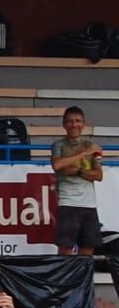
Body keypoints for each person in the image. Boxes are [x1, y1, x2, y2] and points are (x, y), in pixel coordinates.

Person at [51, 105, 105, 255]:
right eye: (69, 121)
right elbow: (57, 165)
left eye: (78, 121)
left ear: (84, 124)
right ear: (64, 125)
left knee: (87, 248)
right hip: (68, 203)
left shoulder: (93, 147)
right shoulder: (59, 145)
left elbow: (98, 175)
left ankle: (83, 279)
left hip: (89, 204)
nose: (74, 124)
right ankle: (65, 279)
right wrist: (83, 154)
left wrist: (77, 170)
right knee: (65, 248)